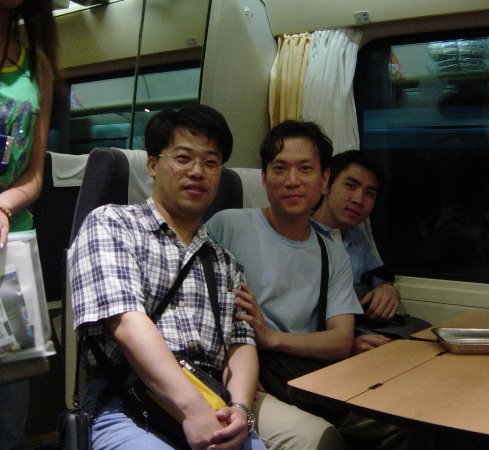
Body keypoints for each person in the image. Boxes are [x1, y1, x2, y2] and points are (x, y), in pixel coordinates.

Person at [69, 104, 266, 450]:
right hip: (126, 403)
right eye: (183, 158)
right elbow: (127, 323)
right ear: (152, 165)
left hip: (211, 398)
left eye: (211, 162)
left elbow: (241, 344)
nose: (197, 172)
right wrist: (191, 409)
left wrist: (239, 410)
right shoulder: (112, 224)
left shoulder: (225, 262)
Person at [207, 121, 406, 449]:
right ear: (264, 177)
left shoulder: (332, 252)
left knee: (410, 416)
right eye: (280, 168)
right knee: (319, 438)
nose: (292, 180)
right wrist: (236, 374)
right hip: (244, 375)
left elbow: (340, 341)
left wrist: (272, 338)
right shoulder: (228, 226)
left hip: (302, 375)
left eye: (305, 169)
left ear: (324, 179)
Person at [0, 1, 58, 448]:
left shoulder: (36, 65)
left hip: (11, 243)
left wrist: (3, 205)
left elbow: (35, 174)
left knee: (10, 412)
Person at [311, 150, 402, 354]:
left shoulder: (357, 237)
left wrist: (388, 291)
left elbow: (378, 281)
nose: (359, 200)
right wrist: (348, 346)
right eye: (350, 186)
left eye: (369, 193)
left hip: (358, 332)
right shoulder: (302, 235)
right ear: (325, 185)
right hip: (326, 346)